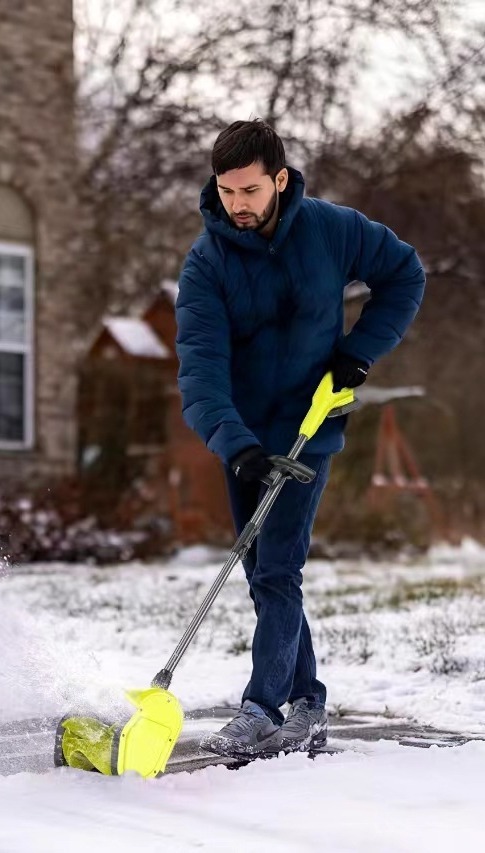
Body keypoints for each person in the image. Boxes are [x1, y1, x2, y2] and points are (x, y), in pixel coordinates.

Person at [175, 119, 425, 756]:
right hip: (247, 438)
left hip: (310, 425)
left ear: (280, 180)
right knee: (263, 573)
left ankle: (261, 707)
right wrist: (235, 443)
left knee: (279, 569)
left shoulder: (332, 230)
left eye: (251, 190)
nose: (238, 205)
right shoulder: (206, 263)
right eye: (227, 192)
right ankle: (308, 702)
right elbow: (200, 369)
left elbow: (405, 275)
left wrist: (358, 354)